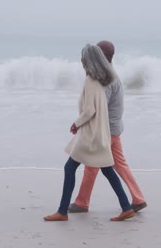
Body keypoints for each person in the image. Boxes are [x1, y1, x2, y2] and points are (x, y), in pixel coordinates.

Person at [43, 44, 134, 222]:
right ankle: (126, 207)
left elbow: (90, 110)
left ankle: (62, 212)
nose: (81, 60)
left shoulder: (91, 80)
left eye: (83, 57)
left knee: (69, 168)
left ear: (89, 60)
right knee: (107, 170)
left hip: (90, 135)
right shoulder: (103, 78)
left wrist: (76, 124)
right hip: (100, 133)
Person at [68, 40, 147, 214]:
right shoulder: (112, 75)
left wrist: (80, 124)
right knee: (119, 164)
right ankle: (138, 197)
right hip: (115, 127)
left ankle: (82, 202)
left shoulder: (105, 80)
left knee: (92, 164)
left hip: (106, 129)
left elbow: (95, 109)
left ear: (101, 56)